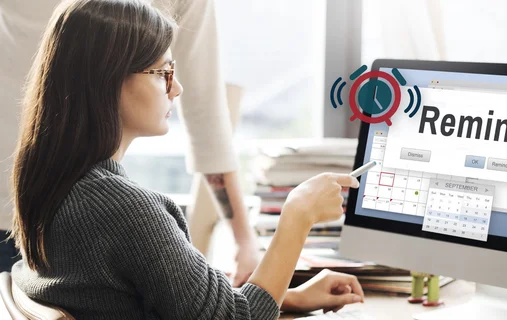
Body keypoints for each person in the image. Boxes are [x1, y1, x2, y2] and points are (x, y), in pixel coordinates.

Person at [8, 0, 365, 319]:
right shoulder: (123, 210)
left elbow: (173, 300)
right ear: (108, 80)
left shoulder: (54, 187)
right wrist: (298, 214)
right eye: (162, 73)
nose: (176, 88)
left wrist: (287, 297)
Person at [0, 0, 261, 285]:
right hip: (30, 212)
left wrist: (243, 240)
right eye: (162, 73)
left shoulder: (122, 208)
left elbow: (206, 115)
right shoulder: (133, 214)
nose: (175, 88)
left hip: (39, 203)